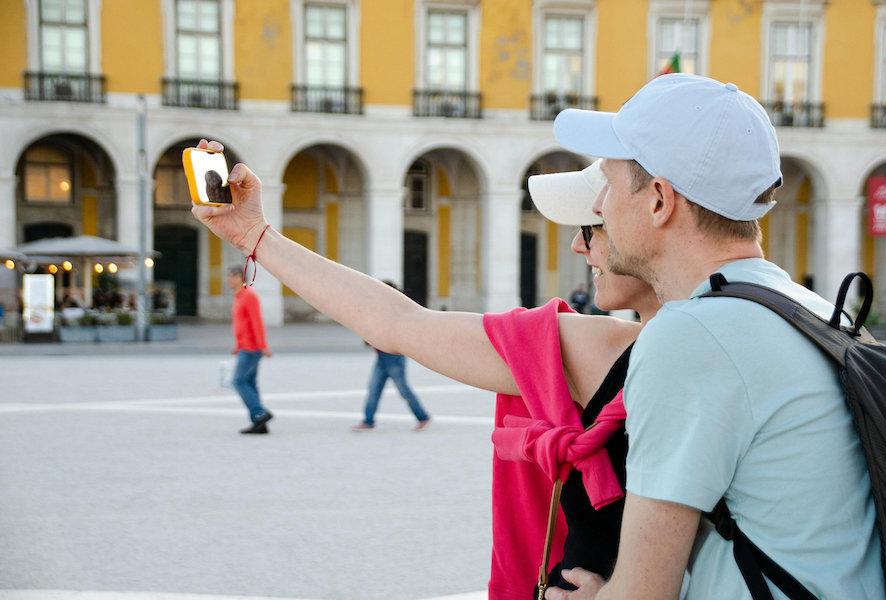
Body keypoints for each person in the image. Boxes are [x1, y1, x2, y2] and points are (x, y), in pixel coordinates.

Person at [192, 146, 661, 600]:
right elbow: (397, 323)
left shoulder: (606, 352)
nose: (579, 243)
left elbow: (399, 325)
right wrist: (254, 236)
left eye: (594, 224)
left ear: (661, 209)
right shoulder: (604, 350)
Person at [543, 74, 884, 600]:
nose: (597, 207)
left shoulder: (690, 337)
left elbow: (641, 594)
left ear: (660, 199)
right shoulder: (810, 309)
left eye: (609, 183)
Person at [351, 280, 432, 432]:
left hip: (393, 357)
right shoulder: (380, 308)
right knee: (374, 388)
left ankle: (422, 416)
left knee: (403, 389)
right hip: (382, 356)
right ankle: (368, 421)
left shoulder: (394, 310)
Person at [226, 263, 274, 434]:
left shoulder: (249, 296)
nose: (228, 280)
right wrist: (237, 345)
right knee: (250, 382)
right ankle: (259, 422)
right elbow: (242, 324)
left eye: (230, 276)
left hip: (252, 347)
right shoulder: (239, 296)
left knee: (238, 381)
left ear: (239, 277)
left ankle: (259, 413)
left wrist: (263, 346)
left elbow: (256, 322)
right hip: (244, 346)